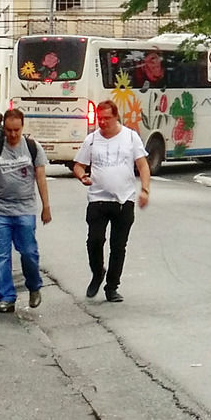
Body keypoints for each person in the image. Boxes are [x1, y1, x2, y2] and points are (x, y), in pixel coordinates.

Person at [72, 100, 150, 302]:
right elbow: (78, 165)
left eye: (107, 118)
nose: (103, 122)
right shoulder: (92, 140)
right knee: (94, 241)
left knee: (118, 246)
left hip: (124, 200)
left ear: (116, 117)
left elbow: (142, 165)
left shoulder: (130, 137)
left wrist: (145, 190)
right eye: (100, 118)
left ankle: (112, 287)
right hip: (97, 199)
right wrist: (82, 176)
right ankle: (98, 272)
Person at [0, 110, 53, 313]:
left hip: (25, 209)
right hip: (0, 210)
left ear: (22, 127)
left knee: (29, 252)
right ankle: (7, 297)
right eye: (9, 130)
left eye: (16, 130)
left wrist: (46, 206)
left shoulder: (32, 148)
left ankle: (34, 285)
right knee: (0, 255)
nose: (12, 134)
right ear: (4, 128)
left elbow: (41, 178)